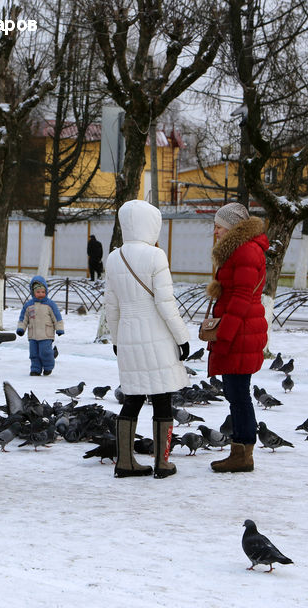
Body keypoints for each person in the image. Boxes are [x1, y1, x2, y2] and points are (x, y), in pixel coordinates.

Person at [105, 200, 191, 479]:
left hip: (128, 335)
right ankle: (162, 464)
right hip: (156, 335)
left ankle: (125, 462)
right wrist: (182, 337)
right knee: (162, 397)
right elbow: (166, 303)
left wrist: (117, 339)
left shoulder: (114, 258)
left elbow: (112, 306)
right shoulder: (156, 256)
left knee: (132, 397)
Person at [205, 202, 269, 473]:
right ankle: (240, 451)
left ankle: (243, 453)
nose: (216, 230)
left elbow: (241, 298)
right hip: (241, 331)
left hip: (240, 333)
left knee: (238, 394)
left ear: (231, 227)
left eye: (219, 226)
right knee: (236, 393)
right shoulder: (240, 250)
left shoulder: (245, 252)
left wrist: (224, 338)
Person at [16, 276, 64, 376]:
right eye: (38, 292)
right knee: (34, 354)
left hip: (46, 334)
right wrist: (21, 328)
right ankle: (35, 369)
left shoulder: (50, 305)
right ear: (33, 292)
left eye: (43, 292)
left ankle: (48, 367)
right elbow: (23, 318)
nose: (41, 294)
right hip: (33, 335)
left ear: (46, 292)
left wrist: (59, 329)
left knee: (45, 352)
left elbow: (57, 318)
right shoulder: (29, 305)